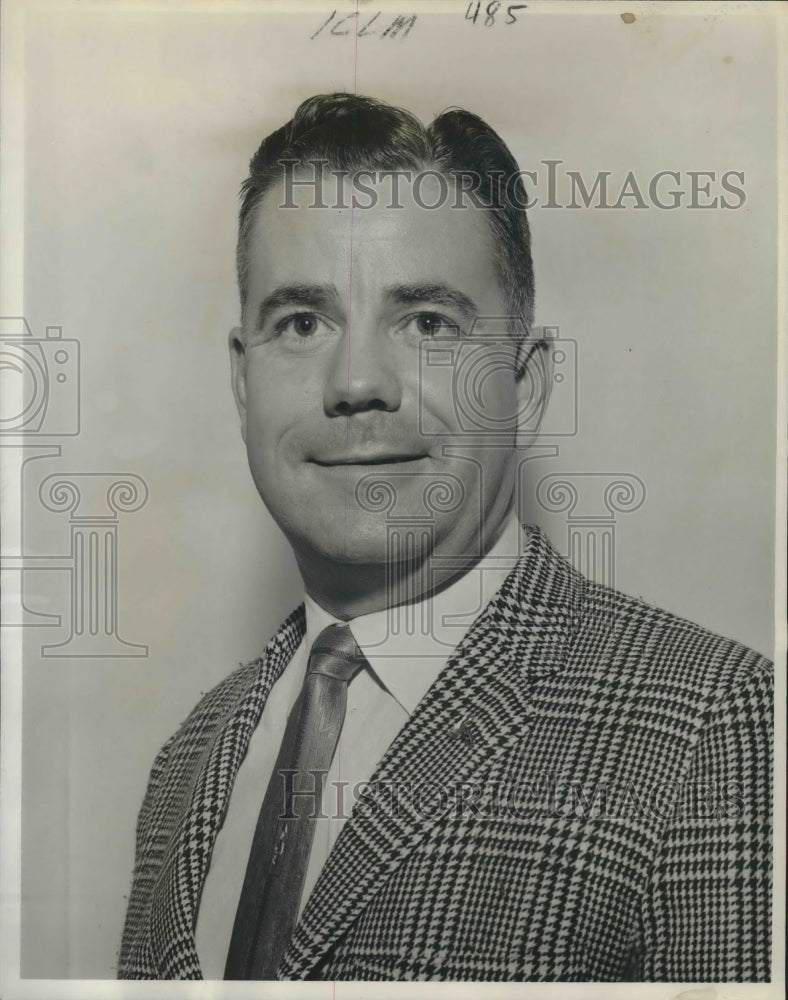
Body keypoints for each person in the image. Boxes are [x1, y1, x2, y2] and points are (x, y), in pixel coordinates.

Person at [117, 93, 772, 982]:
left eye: (427, 323)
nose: (355, 383)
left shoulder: (719, 731)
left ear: (526, 383)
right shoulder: (188, 761)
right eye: (302, 324)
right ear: (243, 382)